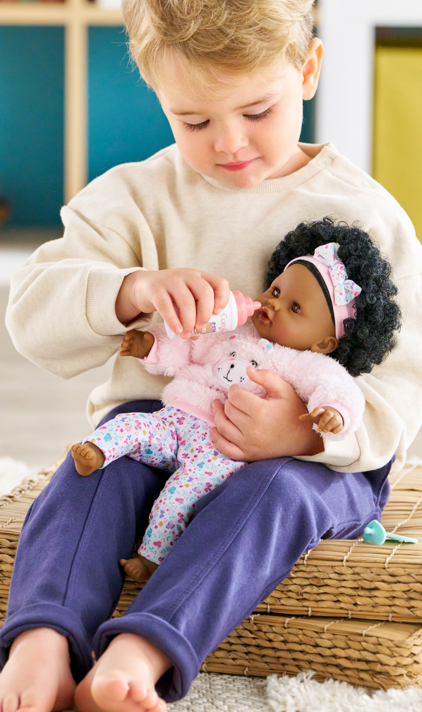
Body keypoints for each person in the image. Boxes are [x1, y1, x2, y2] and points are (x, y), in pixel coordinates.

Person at [0, 0, 422, 712]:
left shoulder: (364, 215)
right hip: (164, 424)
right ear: (156, 91)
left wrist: (299, 431)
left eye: (256, 110)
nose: (227, 143)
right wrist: (129, 290)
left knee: (274, 494)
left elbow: (403, 381)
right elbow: (33, 312)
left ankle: (138, 650)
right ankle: (41, 645)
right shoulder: (135, 197)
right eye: (192, 119)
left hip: (310, 460)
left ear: (307, 69)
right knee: (93, 471)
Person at [69, 222, 401, 583]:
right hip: (175, 419)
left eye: (294, 308)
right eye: (275, 291)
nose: (273, 304)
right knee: (129, 425)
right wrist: (150, 346)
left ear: (323, 343)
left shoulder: (304, 363)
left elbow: (336, 387)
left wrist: (333, 412)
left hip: (220, 449)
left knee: (177, 497)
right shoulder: (231, 329)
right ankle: (98, 450)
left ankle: (152, 558)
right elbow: (188, 346)